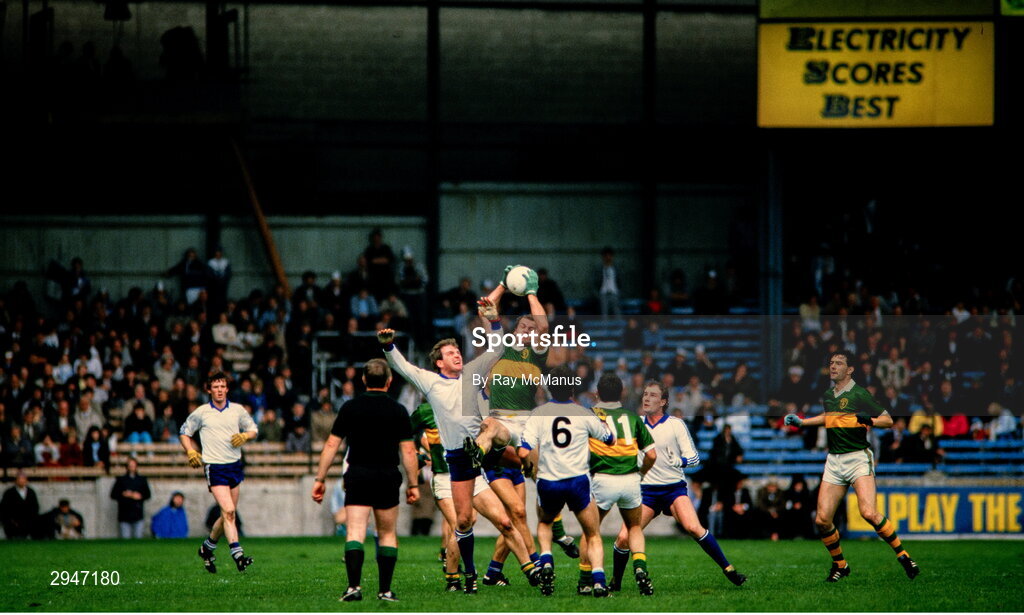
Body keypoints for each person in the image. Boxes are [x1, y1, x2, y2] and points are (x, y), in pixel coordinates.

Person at [380, 298, 529, 594]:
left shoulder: (472, 375)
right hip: (454, 463)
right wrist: (388, 347)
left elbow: (497, 349)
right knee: (463, 520)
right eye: (450, 353)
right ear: (439, 362)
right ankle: (467, 574)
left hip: (475, 459)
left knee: (501, 440)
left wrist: (495, 322)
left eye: (458, 351)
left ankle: (528, 565)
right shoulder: (431, 382)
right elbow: (403, 367)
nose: (457, 355)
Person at [466, 268, 579, 582]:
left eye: (532, 327)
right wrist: (503, 284)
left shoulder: (538, 355)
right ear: (516, 331)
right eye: (525, 325)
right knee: (490, 429)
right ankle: (475, 452)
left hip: (528, 425)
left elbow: (544, 324)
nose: (530, 329)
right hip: (501, 419)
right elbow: (487, 309)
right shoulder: (499, 346)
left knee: (542, 480)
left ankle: (554, 531)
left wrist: (530, 291)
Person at [784, 350, 920, 582]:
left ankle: (904, 555)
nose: (833, 366)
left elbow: (888, 420)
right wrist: (802, 421)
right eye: (831, 362)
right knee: (822, 520)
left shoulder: (859, 394)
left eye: (839, 363)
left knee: (868, 512)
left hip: (858, 458)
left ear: (850, 370)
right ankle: (841, 565)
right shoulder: (829, 395)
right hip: (835, 460)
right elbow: (829, 417)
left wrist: (870, 420)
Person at [612, 380, 747, 589]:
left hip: (673, 489)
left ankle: (729, 569)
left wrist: (680, 461)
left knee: (694, 527)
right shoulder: (633, 423)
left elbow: (694, 457)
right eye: (645, 394)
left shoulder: (675, 424)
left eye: (653, 395)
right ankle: (616, 583)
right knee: (622, 538)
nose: (646, 398)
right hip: (646, 492)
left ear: (663, 401)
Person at [310, 359, 419, 602]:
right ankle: (385, 591)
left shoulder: (350, 408)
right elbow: (409, 452)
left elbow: (331, 444)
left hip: (358, 475)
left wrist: (320, 478)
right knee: (387, 534)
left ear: (363, 380)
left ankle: (353, 587)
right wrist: (413, 484)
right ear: (389, 382)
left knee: (355, 530)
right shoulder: (398, 410)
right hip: (387, 476)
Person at [518, 364, 615, 597]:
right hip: (577, 481)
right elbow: (609, 439)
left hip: (549, 481)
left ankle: (547, 559)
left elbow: (523, 451)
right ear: (572, 388)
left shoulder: (539, 413)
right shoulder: (584, 413)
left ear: (550, 388)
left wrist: (527, 465)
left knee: (544, 523)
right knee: (592, 534)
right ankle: (599, 580)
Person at [580, 373, 657, 596]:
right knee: (634, 527)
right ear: (621, 393)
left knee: (591, 531)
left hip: (602, 478)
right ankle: (641, 569)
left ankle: (586, 580)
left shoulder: (590, 416)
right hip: (630, 479)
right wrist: (640, 474)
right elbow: (651, 455)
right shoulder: (632, 417)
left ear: (597, 394)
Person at [180, 371, 258, 573]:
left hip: (234, 466)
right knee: (230, 512)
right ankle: (238, 555)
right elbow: (184, 432)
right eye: (215, 386)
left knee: (226, 515)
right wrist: (190, 450)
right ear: (209, 390)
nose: (220, 390)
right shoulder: (202, 412)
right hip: (214, 467)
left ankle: (206, 549)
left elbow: (253, 429)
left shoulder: (237, 410)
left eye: (222, 386)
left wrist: (245, 436)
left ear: (227, 389)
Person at [110, 456, 151, 538]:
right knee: (125, 539)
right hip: (124, 514)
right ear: (127, 467)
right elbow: (113, 495)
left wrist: (139, 496)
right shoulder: (121, 480)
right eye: (130, 466)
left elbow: (148, 494)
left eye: (133, 466)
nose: (132, 468)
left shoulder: (141, 479)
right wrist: (124, 494)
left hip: (138, 514)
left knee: (138, 538)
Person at [1, 471, 39, 539]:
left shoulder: (31, 492)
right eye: (19, 479)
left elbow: (35, 507)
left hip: (28, 522)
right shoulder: (9, 492)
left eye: (23, 479)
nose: (21, 481)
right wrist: (13, 520)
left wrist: (29, 519)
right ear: (16, 481)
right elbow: (4, 508)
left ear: (26, 480)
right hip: (12, 523)